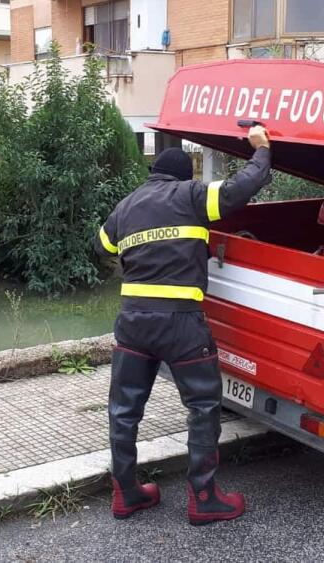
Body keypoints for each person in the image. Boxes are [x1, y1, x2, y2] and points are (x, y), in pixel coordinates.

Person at [93, 125, 272, 526]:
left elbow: (100, 246)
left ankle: (126, 494)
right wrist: (261, 150)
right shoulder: (192, 196)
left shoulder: (126, 205)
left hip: (133, 323)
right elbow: (240, 189)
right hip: (182, 327)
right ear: (184, 175)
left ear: (153, 173)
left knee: (123, 411)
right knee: (204, 407)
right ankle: (204, 498)